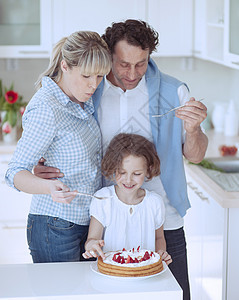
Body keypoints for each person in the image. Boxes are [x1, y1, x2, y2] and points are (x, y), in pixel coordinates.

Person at [33, 20, 208, 299]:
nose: (132, 73)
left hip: (164, 217)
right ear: (108, 56)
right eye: (123, 64)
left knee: (176, 294)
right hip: (108, 221)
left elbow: (196, 156)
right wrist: (38, 162)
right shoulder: (90, 90)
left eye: (141, 63)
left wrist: (194, 129)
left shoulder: (174, 93)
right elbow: (53, 127)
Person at [5, 31, 112, 263]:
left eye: (100, 76)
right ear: (65, 66)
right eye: (86, 76)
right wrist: (49, 187)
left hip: (87, 222)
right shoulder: (47, 108)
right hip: (54, 226)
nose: (94, 84)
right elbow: (14, 173)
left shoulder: (81, 99)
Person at [82, 133, 172, 266]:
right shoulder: (103, 198)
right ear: (113, 167)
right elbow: (92, 239)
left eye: (136, 174)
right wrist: (92, 246)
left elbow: (159, 238)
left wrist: (161, 253)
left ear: (148, 170)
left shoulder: (154, 202)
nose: (128, 180)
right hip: (111, 272)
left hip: (144, 272)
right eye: (122, 172)